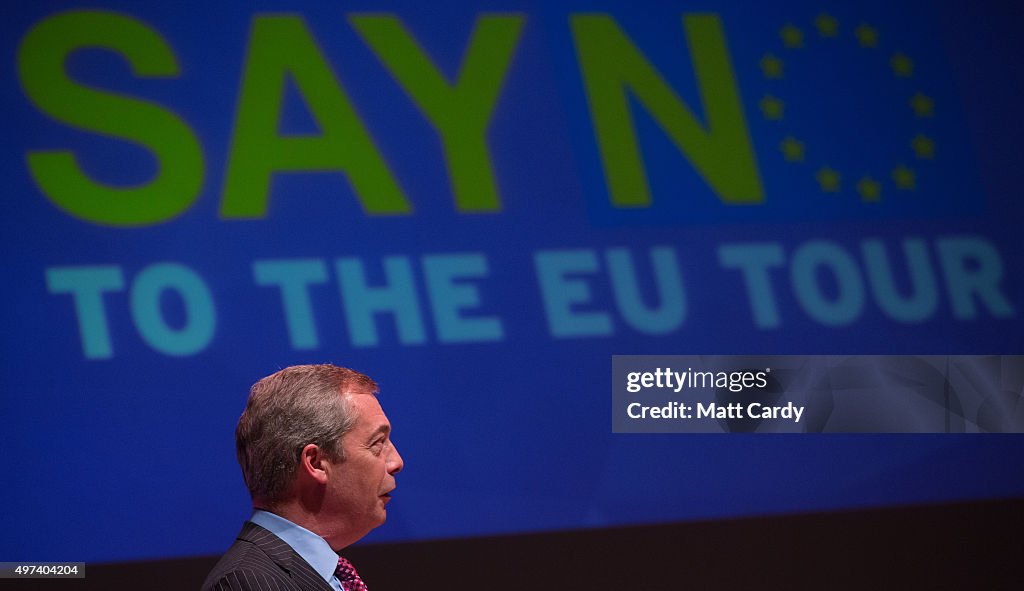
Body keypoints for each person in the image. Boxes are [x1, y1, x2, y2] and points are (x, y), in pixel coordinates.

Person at [202, 364, 404, 591]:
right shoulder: (246, 584)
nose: (396, 462)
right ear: (316, 463)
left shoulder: (320, 574)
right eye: (377, 443)